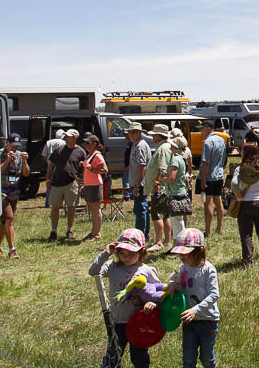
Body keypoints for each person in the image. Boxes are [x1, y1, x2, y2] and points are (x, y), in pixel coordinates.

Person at [89, 228, 161, 368]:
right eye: (122, 253)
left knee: (139, 357)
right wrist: (105, 253)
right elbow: (93, 271)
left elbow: (157, 292)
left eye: (131, 254)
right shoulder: (112, 267)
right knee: (113, 356)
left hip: (138, 321)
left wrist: (153, 303)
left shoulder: (146, 270)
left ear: (141, 252)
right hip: (117, 321)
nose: (126, 257)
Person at [166, 228, 219, 368]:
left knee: (206, 358)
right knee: (188, 359)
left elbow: (214, 294)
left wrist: (195, 310)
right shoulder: (183, 267)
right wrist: (173, 286)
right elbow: (181, 286)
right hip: (189, 320)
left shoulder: (208, 269)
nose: (180, 255)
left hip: (208, 320)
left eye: (185, 252)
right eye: (179, 252)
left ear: (199, 250)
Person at [231, 142, 259, 266]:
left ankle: (248, 260)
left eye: (242, 150)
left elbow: (234, 184)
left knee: (246, 234)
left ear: (245, 153)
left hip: (245, 205)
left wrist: (238, 195)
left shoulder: (240, 169)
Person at [0, 133, 29, 259]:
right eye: (12, 146)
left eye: (17, 146)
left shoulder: (19, 155)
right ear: (7, 143)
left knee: (5, 222)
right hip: (2, 191)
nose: (15, 148)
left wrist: (24, 161)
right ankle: (12, 250)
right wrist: (7, 160)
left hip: (14, 191)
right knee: (9, 218)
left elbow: (26, 173)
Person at [45, 129, 86, 241]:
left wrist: (83, 182)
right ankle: (53, 231)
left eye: (69, 136)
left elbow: (84, 168)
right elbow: (51, 165)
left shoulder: (80, 152)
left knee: (71, 207)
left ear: (75, 138)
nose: (66, 138)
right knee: (55, 207)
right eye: (66, 136)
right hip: (56, 182)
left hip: (72, 183)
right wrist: (48, 179)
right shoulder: (59, 150)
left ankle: (69, 230)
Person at [145, 124, 174, 252]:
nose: (152, 137)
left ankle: (159, 241)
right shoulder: (165, 147)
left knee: (156, 214)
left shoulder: (162, 149)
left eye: (154, 135)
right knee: (166, 213)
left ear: (159, 136)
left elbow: (162, 169)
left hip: (160, 187)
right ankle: (167, 240)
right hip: (164, 186)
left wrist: (157, 184)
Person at [198, 120, 227, 237]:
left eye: (202, 128)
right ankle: (219, 227)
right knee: (218, 201)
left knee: (208, 203)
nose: (200, 130)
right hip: (219, 175)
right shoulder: (221, 140)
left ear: (209, 128)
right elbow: (225, 158)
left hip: (209, 177)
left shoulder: (207, 142)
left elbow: (206, 163)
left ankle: (208, 231)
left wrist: (203, 179)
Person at [164, 131, 192, 253]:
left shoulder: (175, 159)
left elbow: (171, 178)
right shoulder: (181, 159)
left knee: (176, 222)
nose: (170, 147)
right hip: (180, 192)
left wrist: (161, 178)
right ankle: (178, 245)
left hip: (175, 193)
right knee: (177, 221)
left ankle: (179, 245)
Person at [126, 122, 152, 237]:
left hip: (140, 183)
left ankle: (141, 235)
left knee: (140, 208)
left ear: (139, 133)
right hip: (138, 181)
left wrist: (137, 185)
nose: (131, 134)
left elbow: (142, 166)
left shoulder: (140, 146)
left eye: (133, 132)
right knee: (141, 208)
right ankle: (144, 233)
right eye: (130, 132)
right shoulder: (135, 144)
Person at [81, 134, 108, 241]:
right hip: (89, 185)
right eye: (85, 143)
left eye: (88, 143)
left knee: (96, 210)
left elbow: (105, 170)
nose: (86, 145)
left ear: (95, 144)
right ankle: (93, 231)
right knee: (92, 210)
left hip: (95, 185)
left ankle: (97, 234)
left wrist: (92, 169)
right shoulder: (90, 155)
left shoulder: (97, 155)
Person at [41, 128, 67, 207]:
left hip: (50, 167)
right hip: (60, 167)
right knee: (60, 185)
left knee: (49, 183)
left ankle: (47, 202)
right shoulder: (64, 143)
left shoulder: (49, 142)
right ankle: (60, 203)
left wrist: (48, 162)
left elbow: (44, 155)